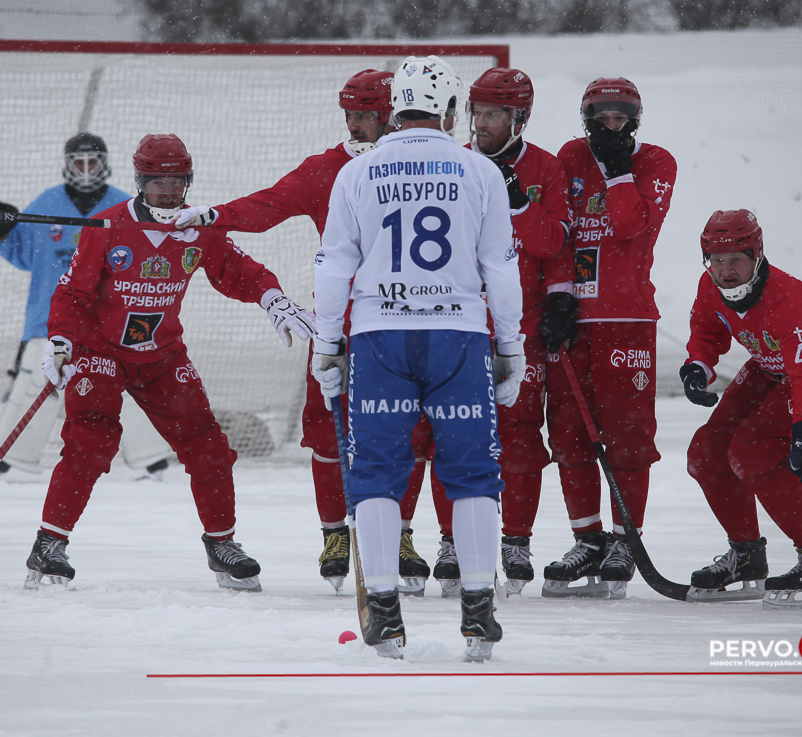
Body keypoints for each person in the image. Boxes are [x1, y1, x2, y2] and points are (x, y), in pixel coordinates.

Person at [172, 69, 435, 596]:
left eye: (366, 115)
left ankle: (401, 536)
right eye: (350, 115)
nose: (355, 125)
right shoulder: (327, 169)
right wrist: (213, 215)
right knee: (326, 429)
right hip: (340, 323)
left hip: (409, 322)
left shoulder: (424, 164)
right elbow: (268, 205)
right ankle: (335, 535)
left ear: (392, 116)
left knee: (412, 431)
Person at [24, 133, 316, 592]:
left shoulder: (197, 227)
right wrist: (60, 340)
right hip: (101, 353)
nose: (168, 191)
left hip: (162, 356)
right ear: (140, 182)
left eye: (177, 182)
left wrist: (271, 297)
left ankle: (222, 543)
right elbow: (72, 291)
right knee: (90, 445)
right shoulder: (107, 226)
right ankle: (49, 543)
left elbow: (239, 271)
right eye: (158, 182)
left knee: (209, 446)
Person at [312, 55, 523, 661]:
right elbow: (499, 267)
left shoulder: (356, 172)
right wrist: (511, 345)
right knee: (473, 471)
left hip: (379, 335)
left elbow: (334, 266)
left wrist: (327, 342)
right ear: (450, 109)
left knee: (377, 470)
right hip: (459, 335)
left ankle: (383, 612)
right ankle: (478, 612)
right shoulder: (480, 170)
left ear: (394, 107)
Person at [425, 67, 576, 598]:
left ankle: (515, 539)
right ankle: (452, 540)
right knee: (451, 434)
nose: (482, 123)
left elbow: (553, 242)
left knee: (519, 436)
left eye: (494, 114)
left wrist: (560, 297)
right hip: (460, 324)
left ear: (520, 118)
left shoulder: (545, 168)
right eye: (478, 112)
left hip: (521, 329)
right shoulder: (455, 163)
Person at [681, 209, 802, 608]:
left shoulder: (786, 298)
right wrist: (698, 366)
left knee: (753, 450)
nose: (726, 271)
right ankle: (747, 554)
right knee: (706, 453)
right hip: (772, 365)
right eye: (716, 260)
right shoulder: (710, 286)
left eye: (736, 259)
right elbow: (707, 330)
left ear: (757, 253)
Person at [0, 133, 169, 479]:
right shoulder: (46, 204)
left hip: (111, 324)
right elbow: (22, 251)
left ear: (104, 164)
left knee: (130, 386)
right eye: (79, 163)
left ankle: (153, 461)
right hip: (49, 321)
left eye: (93, 163)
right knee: (36, 386)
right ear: (68, 165)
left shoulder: (126, 208)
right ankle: (10, 464)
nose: (86, 170)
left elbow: (150, 261)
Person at [542, 77, 677, 599]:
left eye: (621, 117)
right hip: (574, 318)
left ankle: (625, 540)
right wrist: (558, 295)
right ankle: (588, 539)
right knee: (569, 433)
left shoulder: (655, 162)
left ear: (635, 120)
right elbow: (560, 233)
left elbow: (626, 225)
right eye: (601, 117)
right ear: (586, 119)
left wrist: (619, 170)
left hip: (626, 319)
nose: (611, 125)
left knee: (627, 434)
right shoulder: (570, 157)